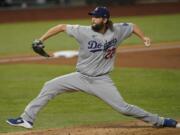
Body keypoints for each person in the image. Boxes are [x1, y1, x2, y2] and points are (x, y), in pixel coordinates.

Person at [6, 7, 179, 129]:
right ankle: (26, 119)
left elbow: (132, 26)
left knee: (123, 109)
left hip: (101, 81)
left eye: (96, 17)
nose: (92, 19)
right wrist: (41, 39)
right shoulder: (83, 31)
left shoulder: (117, 30)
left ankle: (161, 121)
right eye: (92, 16)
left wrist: (143, 37)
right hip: (80, 77)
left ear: (105, 19)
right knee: (50, 85)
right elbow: (61, 27)